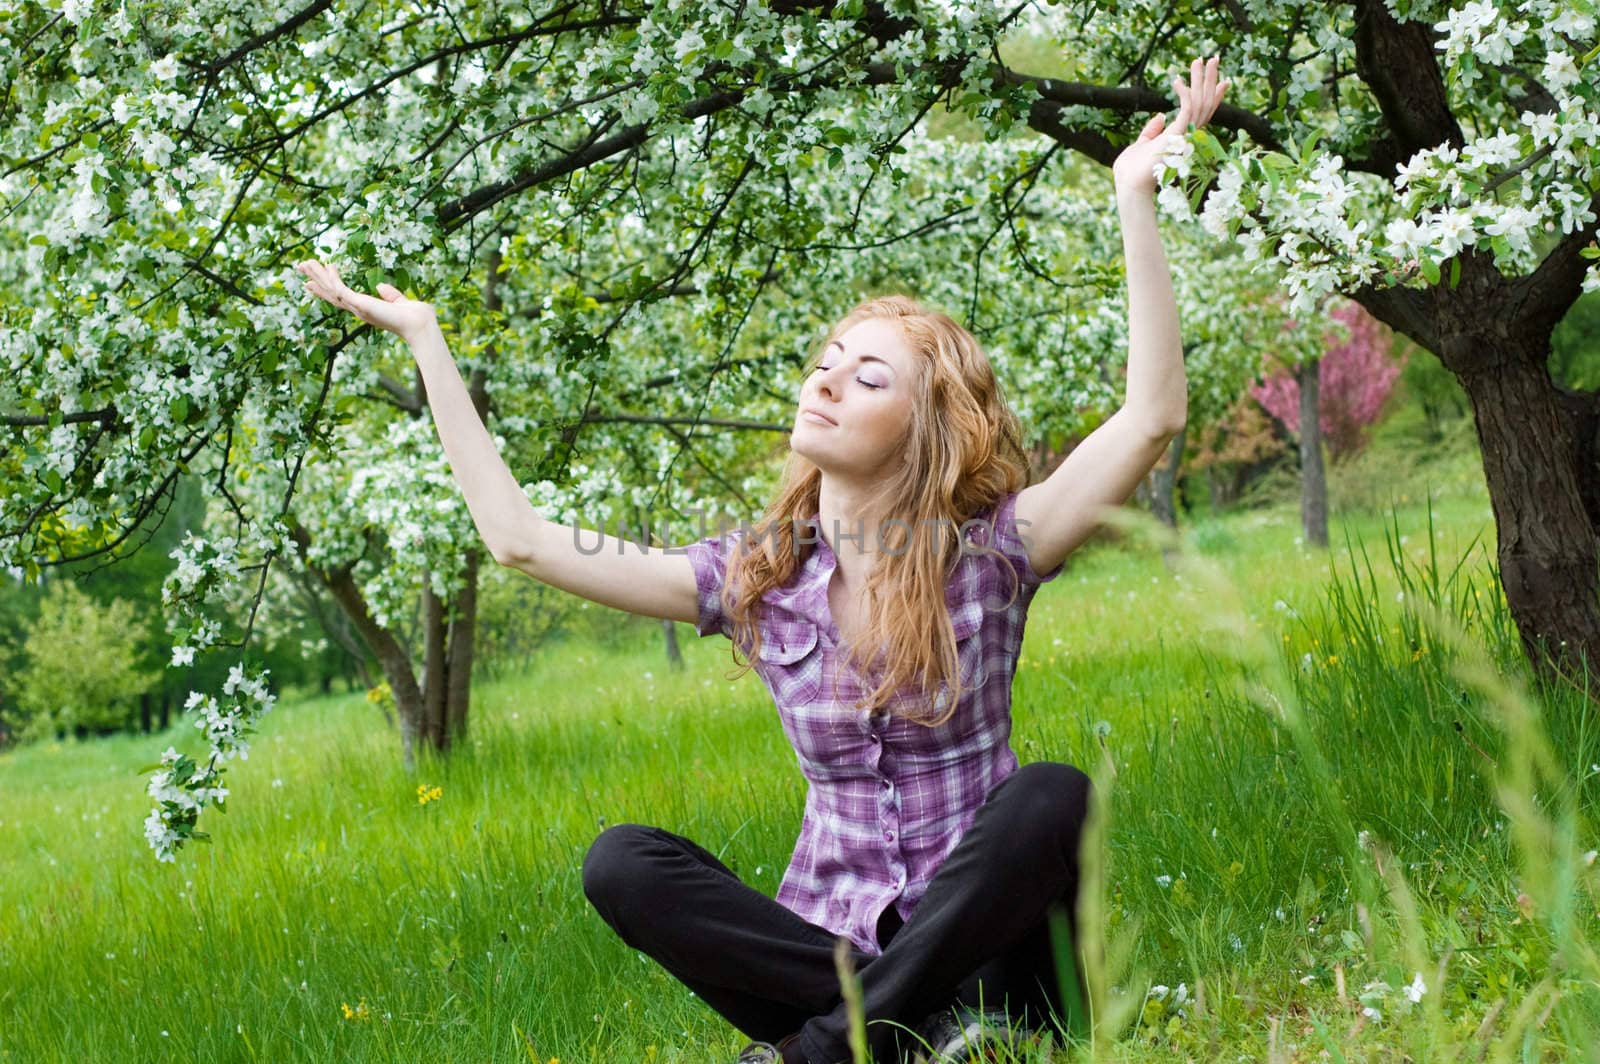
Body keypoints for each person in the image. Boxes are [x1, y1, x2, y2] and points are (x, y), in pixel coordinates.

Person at [298, 54, 1229, 1064]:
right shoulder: (753, 578)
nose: (825, 382)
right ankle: (896, 1037)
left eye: (866, 376)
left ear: (925, 427)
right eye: (825, 363)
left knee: (1050, 793)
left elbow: (1151, 418)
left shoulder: (994, 550)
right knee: (622, 862)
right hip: (830, 955)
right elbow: (518, 538)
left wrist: (1131, 196)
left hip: (1002, 961)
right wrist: (429, 339)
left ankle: (836, 1050)